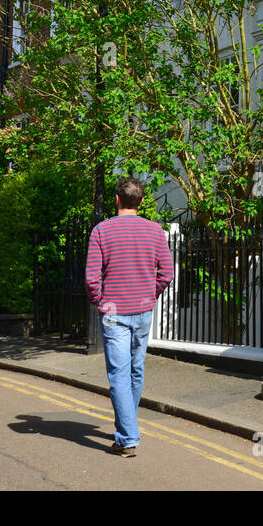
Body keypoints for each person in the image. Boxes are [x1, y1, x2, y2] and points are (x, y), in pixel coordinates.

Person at [86, 177, 174, 457]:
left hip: (114, 313)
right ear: (142, 201)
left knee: (119, 375)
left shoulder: (102, 230)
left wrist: (100, 301)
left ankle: (127, 436)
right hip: (143, 310)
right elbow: (167, 274)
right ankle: (128, 427)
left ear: (116, 199)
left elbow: (91, 279)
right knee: (135, 370)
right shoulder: (156, 231)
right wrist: (150, 296)